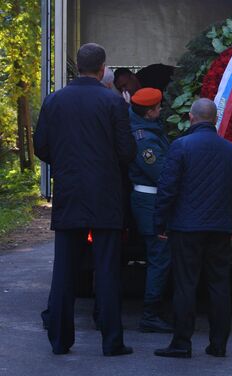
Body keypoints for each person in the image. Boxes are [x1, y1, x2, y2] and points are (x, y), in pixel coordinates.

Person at [33, 43, 136, 356]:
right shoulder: (112, 102)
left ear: (77, 66)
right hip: (105, 194)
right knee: (107, 269)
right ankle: (111, 341)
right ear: (102, 68)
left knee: (64, 270)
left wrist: (65, 163)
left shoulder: (54, 101)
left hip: (69, 192)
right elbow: (127, 152)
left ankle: (60, 340)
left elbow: (41, 147)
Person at [153, 98, 232, 358]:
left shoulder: (180, 146)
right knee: (219, 286)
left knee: (185, 285)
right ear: (214, 119)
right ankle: (218, 345)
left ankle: (182, 343)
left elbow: (167, 189)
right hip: (220, 227)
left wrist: (160, 223)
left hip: (186, 227)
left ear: (191, 118)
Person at [127, 87, 173, 333]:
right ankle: (151, 313)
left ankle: (155, 309)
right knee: (159, 258)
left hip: (151, 202)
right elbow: (161, 174)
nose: (161, 110)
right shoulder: (144, 138)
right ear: (148, 113)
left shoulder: (148, 130)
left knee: (160, 257)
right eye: (158, 108)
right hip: (150, 203)